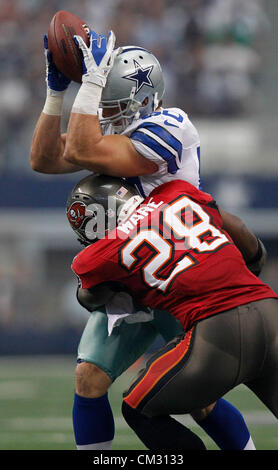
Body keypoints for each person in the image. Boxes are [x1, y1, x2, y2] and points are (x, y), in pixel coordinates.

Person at [30, 29, 256, 450]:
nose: (105, 116)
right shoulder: (110, 136)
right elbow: (43, 159)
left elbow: (81, 150)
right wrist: (55, 91)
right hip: (132, 277)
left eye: (113, 107)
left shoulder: (172, 126)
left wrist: (93, 80)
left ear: (146, 100)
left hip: (178, 277)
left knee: (201, 401)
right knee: (89, 378)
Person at [70, 173, 277, 451]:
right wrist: (248, 271)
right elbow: (241, 232)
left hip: (218, 329)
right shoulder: (177, 192)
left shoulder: (97, 256)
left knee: (137, 407)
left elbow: (90, 297)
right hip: (269, 307)